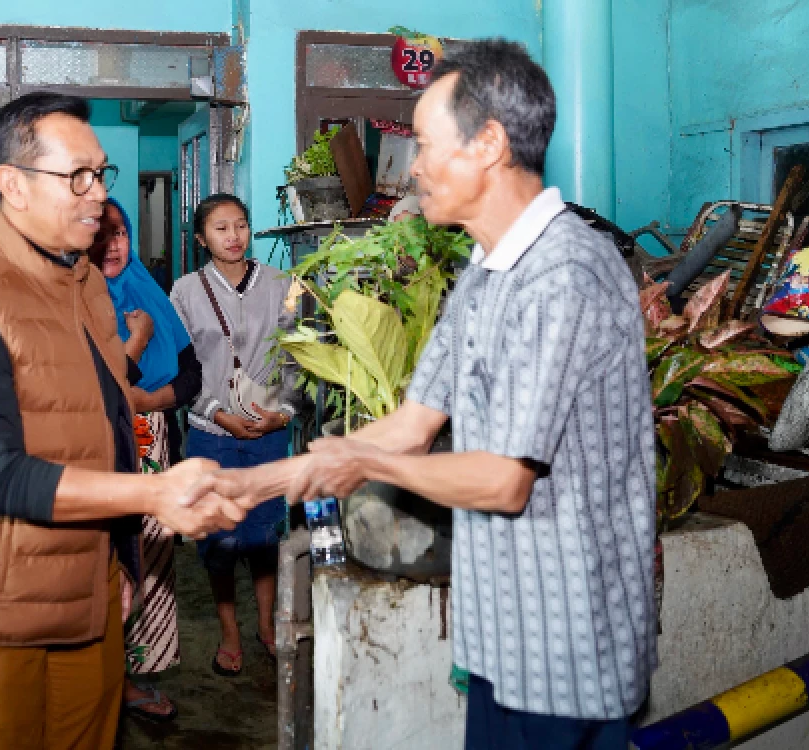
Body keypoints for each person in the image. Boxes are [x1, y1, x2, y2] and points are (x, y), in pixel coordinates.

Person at [215, 39, 657, 749]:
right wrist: (267, 477)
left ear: (487, 144)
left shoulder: (563, 273)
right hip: (499, 641)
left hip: (568, 647)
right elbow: (414, 423)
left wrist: (357, 465)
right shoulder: (486, 270)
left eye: (423, 143)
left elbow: (501, 479)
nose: (411, 165)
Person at [0, 91, 245, 750]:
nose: (97, 197)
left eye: (101, 174)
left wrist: (120, 565)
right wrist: (152, 493)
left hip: (85, 579)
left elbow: (104, 419)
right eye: (76, 177)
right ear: (12, 186)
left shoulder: (81, 283)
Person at [169, 193, 304, 677]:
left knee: (265, 535)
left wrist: (284, 413)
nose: (234, 236)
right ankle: (229, 632)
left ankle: (266, 626)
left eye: (241, 226)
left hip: (269, 432)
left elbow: (295, 356)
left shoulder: (282, 284)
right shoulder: (184, 292)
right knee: (220, 540)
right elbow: (181, 368)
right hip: (212, 434)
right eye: (221, 228)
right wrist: (215, 413)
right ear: (202, 238)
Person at [87, 198, 203, 722]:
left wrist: (150, 402)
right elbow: (99, 389)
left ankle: (136, 675)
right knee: (104, 567)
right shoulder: (77, 301)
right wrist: (135, 342)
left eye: (120, 233)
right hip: (96, 454)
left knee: (152, 563)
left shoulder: (148, 292)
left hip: (154, 443)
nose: (111, 245)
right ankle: (96, 679)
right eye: (100, 233)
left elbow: (191, 374)